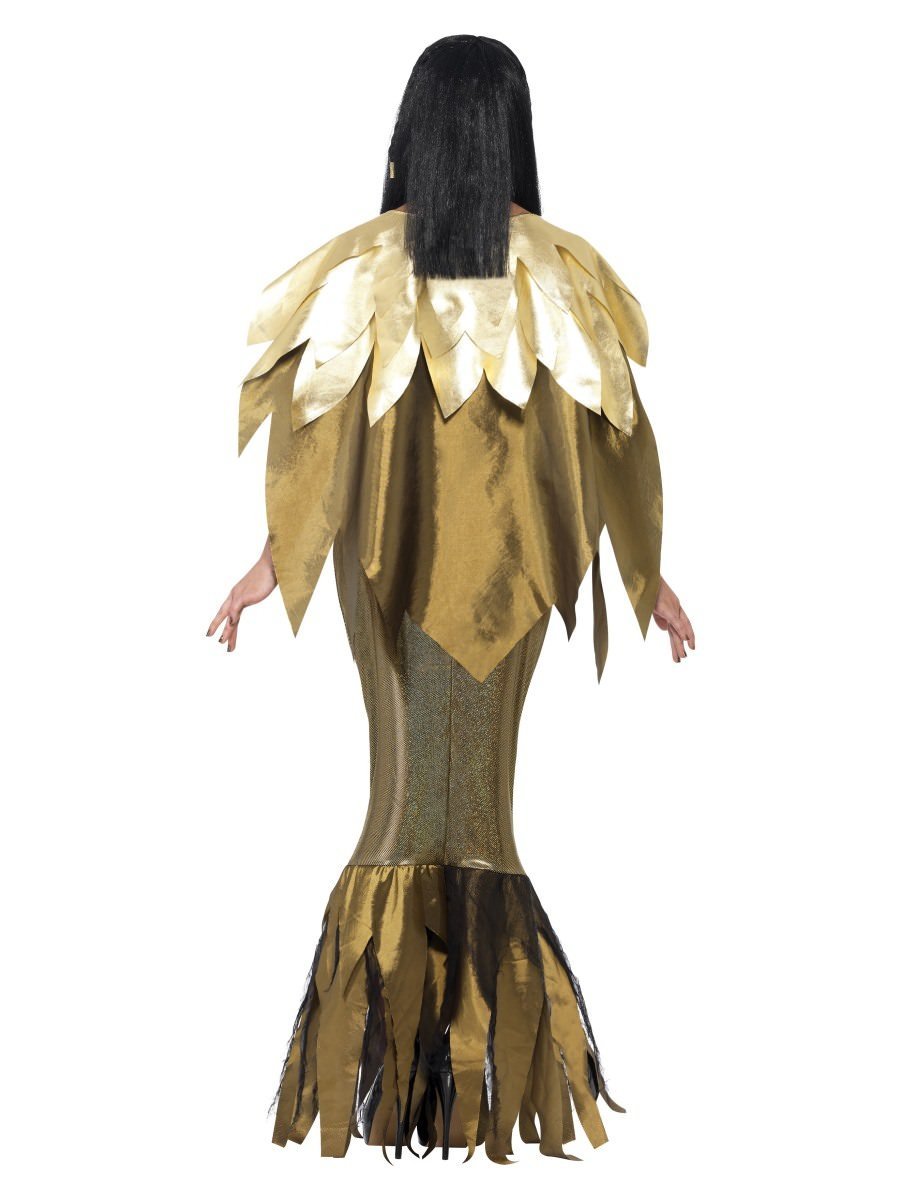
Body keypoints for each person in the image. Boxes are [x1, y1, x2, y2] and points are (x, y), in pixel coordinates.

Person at [206, 34, 695, 1164]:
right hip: (485, 583)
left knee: (439, 813)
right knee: (440, 813)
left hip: (396, 578)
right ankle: (444, 1085)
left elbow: (584, 439)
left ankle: (414, 1084)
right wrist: (642, 572)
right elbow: (591, 447)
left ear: (415, 127)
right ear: (511, 128)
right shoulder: (542, 273)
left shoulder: (402, 271)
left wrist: (645, 575)